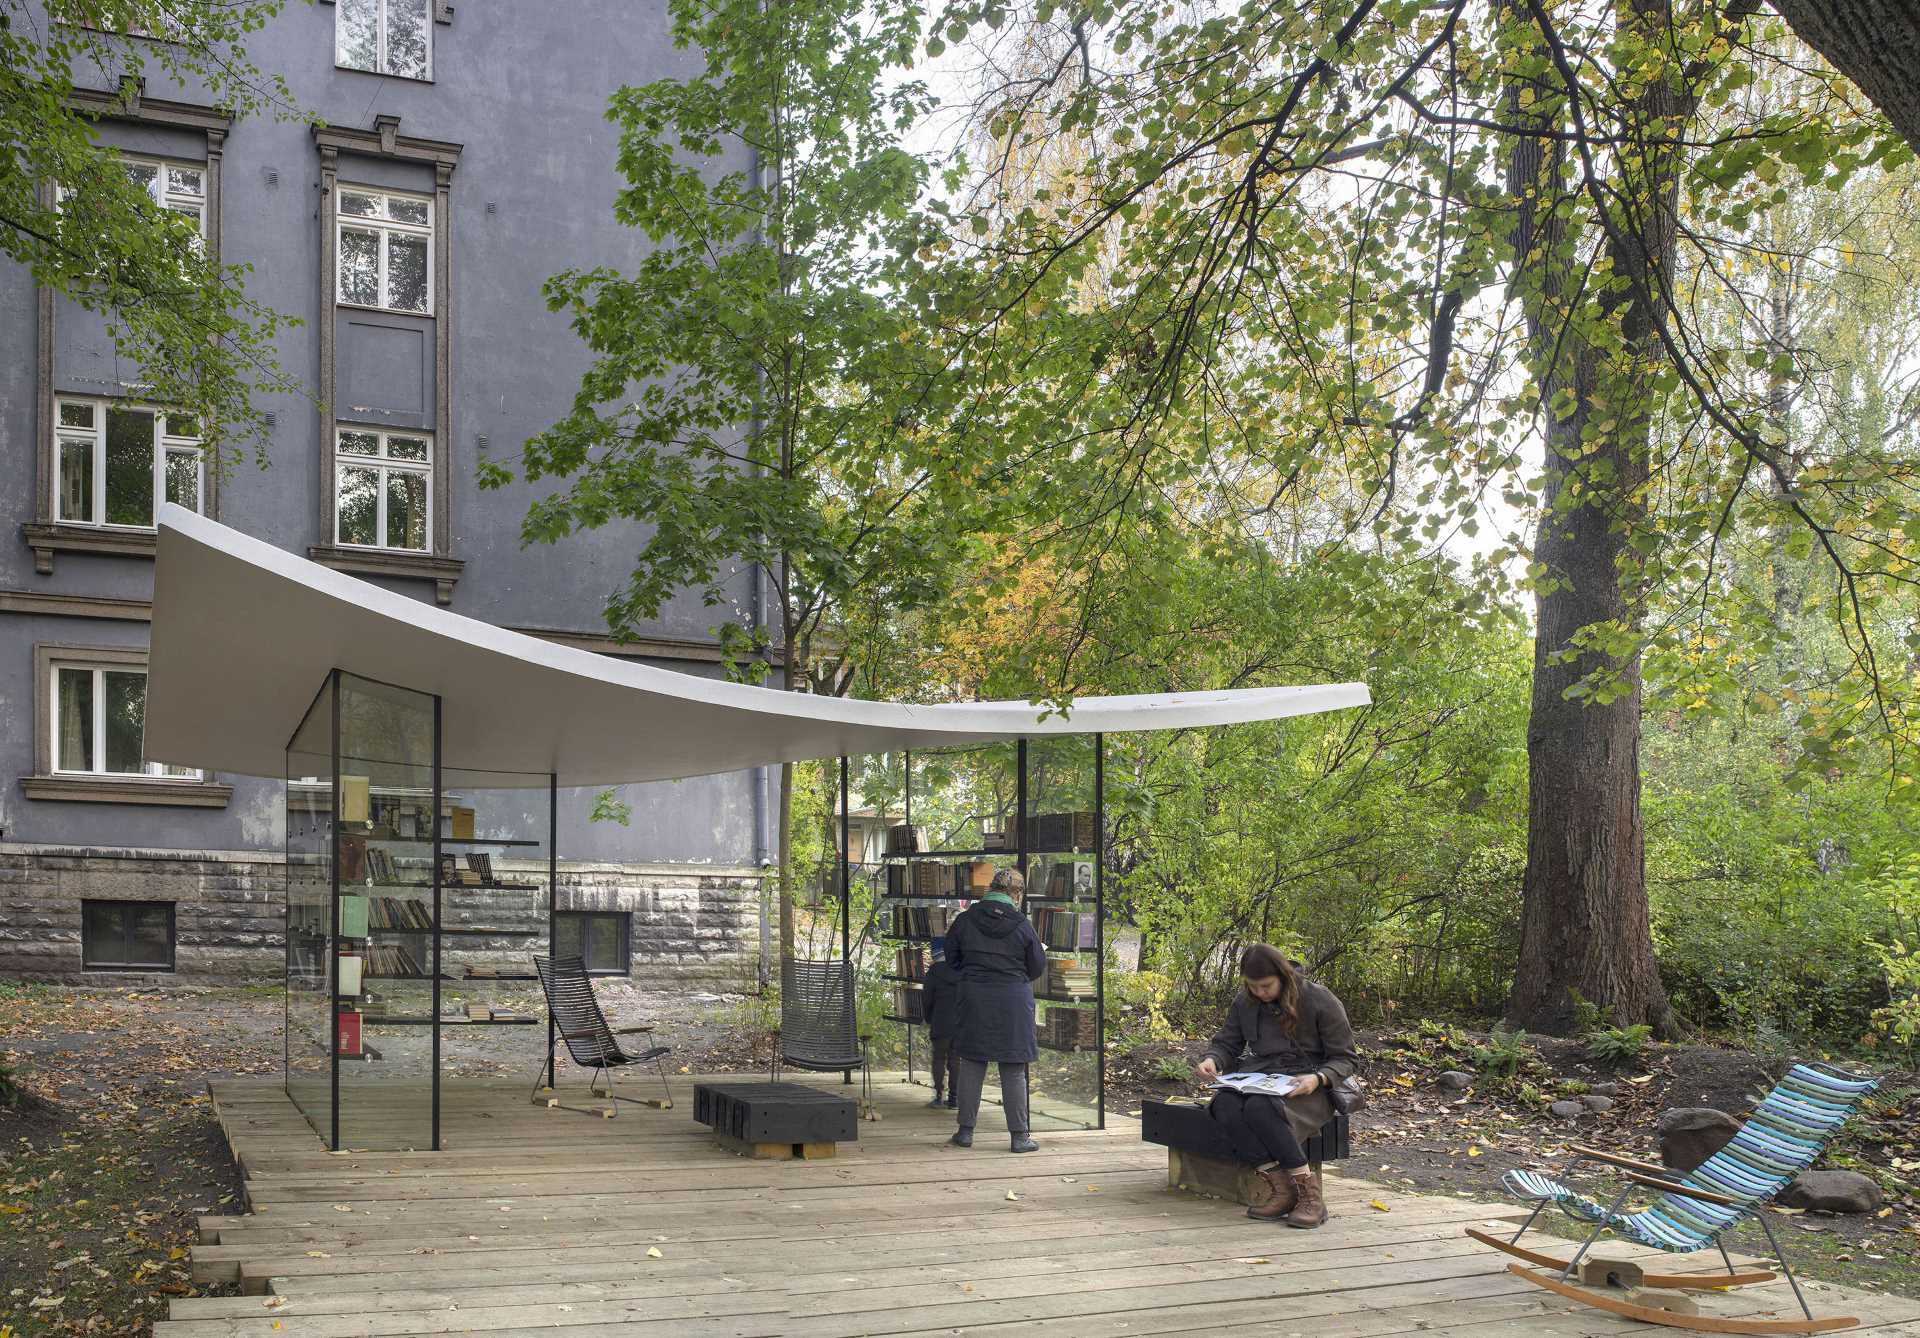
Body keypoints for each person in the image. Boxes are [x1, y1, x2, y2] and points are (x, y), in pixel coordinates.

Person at [1193, 943, 1357, 1228]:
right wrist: (1213, 1059)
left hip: (1311, 1086)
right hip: (1263, 1078)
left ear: (1283, 976)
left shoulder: (1319, 999)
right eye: (1253, 986)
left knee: (1260, 1108)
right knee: (1225, 1105)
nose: (1260, 993)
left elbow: (1346, 1058)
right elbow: (1227, 1043)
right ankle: (1282, 1190)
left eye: (1266, 986)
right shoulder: (1244, 1001)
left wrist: (1317, 1079)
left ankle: (1311, 1197)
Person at [942, 867, 1047, 1152]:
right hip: (1013, 1000)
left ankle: (965, 1132)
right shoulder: (1023, 925)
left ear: (991, 888)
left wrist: (971, 974)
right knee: (1013, 1068)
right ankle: (1019, 1137)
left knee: (973, 1063)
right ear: (1016, 893)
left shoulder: (965, 921)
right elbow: (1037, 965)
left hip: (974, 997)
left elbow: (951, 958)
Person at [921, 937, 962, 1109]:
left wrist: (929, 1018)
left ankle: (938, 1096)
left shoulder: (933, 973)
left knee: (938, 1058)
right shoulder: (963, 971)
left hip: (940, 1022)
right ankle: (954, 1098)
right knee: (956, 1060)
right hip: (960, 1023)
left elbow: (927, 999)